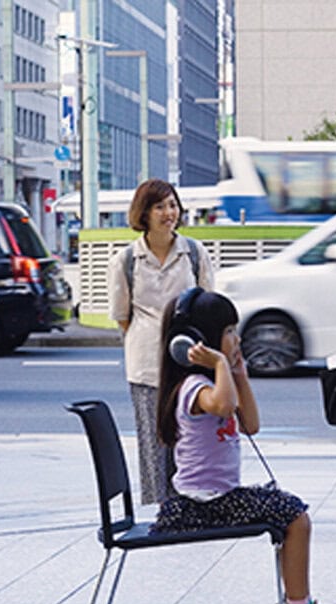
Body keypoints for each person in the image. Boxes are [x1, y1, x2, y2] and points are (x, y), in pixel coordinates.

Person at [151, 288, 336, 604]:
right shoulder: (195, 386)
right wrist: (221, 365)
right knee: (295, 516)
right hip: (199, 505)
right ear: (197, 343)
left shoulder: (214, 381)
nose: (236, 338)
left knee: (288, 510)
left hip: (214, 498)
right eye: (228, 332)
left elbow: (251, 423)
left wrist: (237, 371)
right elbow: (224, 407)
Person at [109, 178, 214, 505]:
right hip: (146, 367)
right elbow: (122, 316)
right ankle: (159, 509)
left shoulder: (194, 253)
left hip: (188, 364)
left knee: (190, 438)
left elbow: (208, 307)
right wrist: (151, 339)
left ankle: (189, 505)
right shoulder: (126, 261)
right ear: (144, 213)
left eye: (173, 205)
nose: (169, 213)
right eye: (160, 207)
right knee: (154, 444)